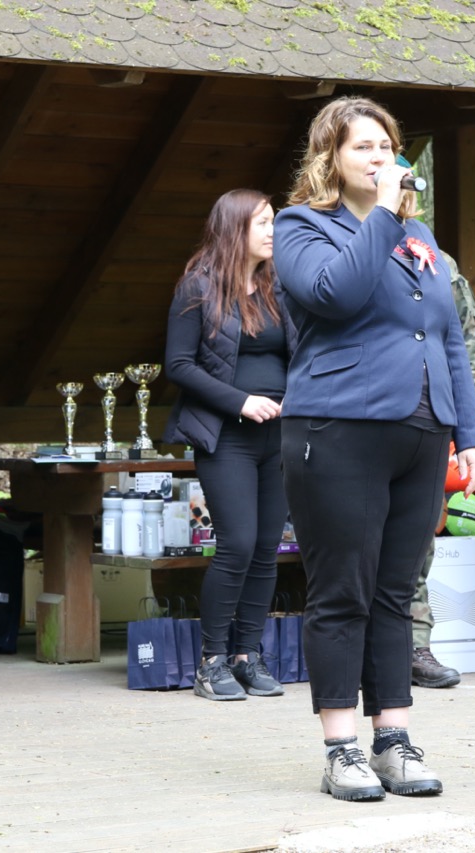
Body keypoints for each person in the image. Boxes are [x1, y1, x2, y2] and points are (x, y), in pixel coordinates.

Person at [273, 97, 475, 801]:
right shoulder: (303, 227)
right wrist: (385, 219)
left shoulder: (418, 234)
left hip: (422, 432)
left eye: (387, 147)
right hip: (337, 428)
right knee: (343, 592)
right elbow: (336, 294)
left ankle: (393, 740)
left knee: (395, 594)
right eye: (362, 146)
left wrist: (470, 433)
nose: (379, 157)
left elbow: (446, 335)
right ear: (330, 157)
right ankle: (340, 749)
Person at [163, 189, 297, 701]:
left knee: (266, 549)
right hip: (225, 436)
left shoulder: (279, 285)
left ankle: (247, 656)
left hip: (279, 436)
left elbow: (302, 352)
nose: (273, 231)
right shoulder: (197, 286)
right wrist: (241, 401)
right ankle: (211, 661)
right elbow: (179, 365)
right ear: (234, 228)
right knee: (237, 544)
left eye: (274, 222)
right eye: (263, 222)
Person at [410, 250, 475, 690]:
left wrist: (470, 429)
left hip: (431, 422)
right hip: (361, 422)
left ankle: (415, 646)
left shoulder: (438, 262)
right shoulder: (338, 248)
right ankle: (361, 651)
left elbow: (465, 347)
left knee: (417, 544)